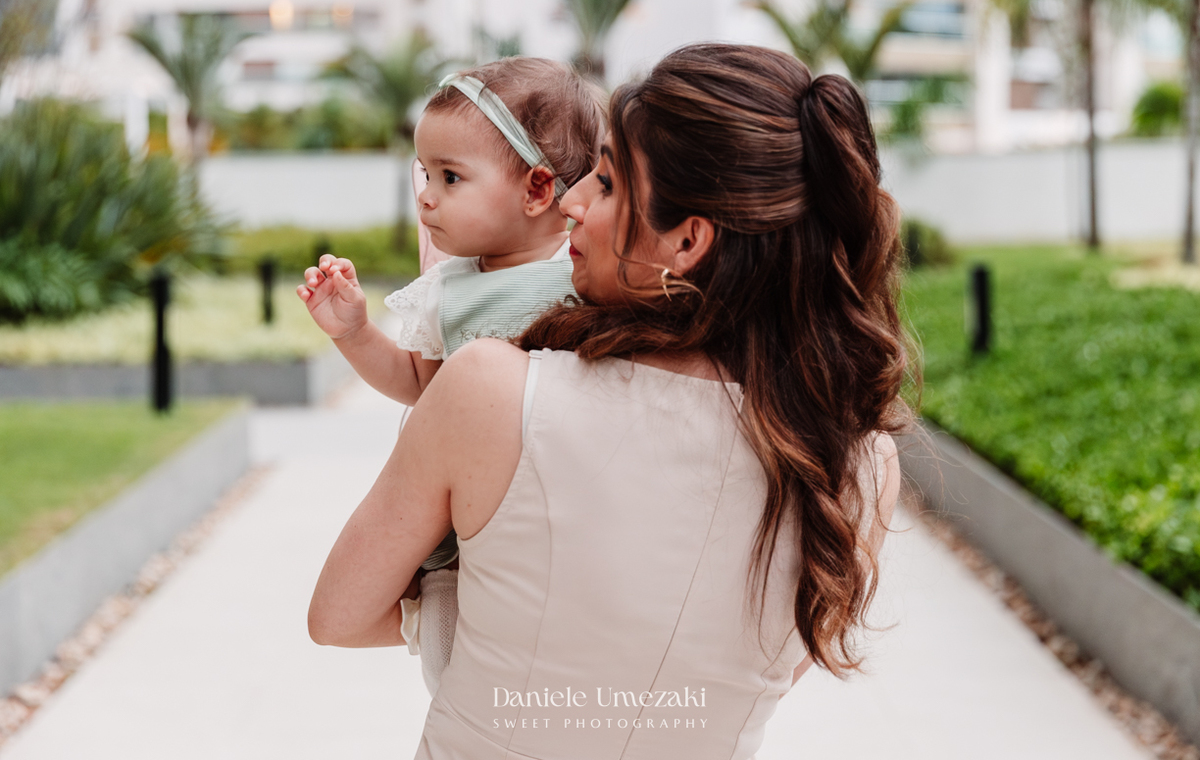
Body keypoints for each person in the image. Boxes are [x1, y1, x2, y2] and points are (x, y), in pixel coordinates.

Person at [308, 43, 911, 760]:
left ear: (688, 240)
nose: (571, 202)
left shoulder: (494, 390)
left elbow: (339, 615)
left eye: (607, 183)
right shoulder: (859, 466)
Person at [296, 57, 604, 696]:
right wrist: (353, 332)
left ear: (538, 190)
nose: (426, 196)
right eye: (426, 174)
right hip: (460, 538)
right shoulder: (448, 291)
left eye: (451, 176)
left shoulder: (582, 277)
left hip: (556, 517)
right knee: (460, 664)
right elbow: (419, 384)